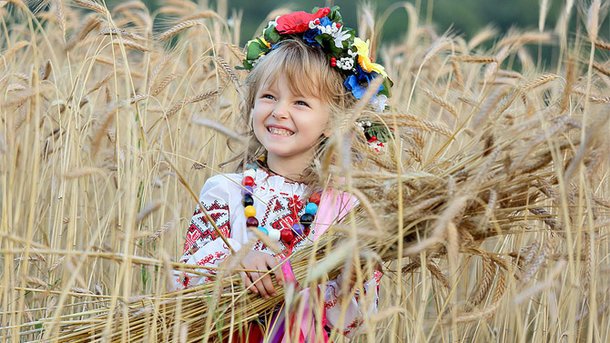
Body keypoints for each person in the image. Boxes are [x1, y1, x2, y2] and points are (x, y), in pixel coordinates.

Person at [175, 6, 391, 341]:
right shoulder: (225, 191)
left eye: (301, 103)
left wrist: (352, 281)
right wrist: (237, 259)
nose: (279, 112)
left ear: (332, 121)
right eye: (269, 97)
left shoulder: (347, 211)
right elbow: (185, 276)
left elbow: (354, 322)